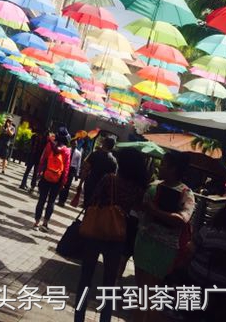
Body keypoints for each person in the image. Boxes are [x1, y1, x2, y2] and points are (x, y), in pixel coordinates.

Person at [74, 149, 150, 322]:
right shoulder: (138, 188)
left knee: (85, 279)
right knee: (109, 285)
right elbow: (139, 209)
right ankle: (105, 319)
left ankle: (79, 318)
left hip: (96, 232)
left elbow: (93, 200)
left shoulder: (109, 179)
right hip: (117, 236)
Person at [133, 151, 195, 320]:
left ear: (174, 168)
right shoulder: (154, 185)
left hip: (164, 250)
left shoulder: (186, 193)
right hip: (143, 242)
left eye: (165, 164)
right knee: (142, 293)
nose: (161, 166)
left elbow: (183, 219)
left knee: (152, 295)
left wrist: (155, 211)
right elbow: (141, 209)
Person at [33, 127, 70, 232]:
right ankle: (45, 223)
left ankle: (36, 222)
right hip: (57, 180)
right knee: (51, 202)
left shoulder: (49, 145)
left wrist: (39, 173)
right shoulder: (67, 151)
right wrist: (63, 182)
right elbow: (66, 169)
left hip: (46, 176)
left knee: (41, 200)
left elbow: (43, 159)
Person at [79, 136, 117, 207]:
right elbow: (113, 178)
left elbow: (86, 170)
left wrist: (80, 184)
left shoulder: (95, 154)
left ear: (104, 143)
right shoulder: (114, 161)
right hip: (103, 190)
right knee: (96, 209)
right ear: (113, 147)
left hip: (90, 185)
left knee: (88, 207)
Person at [20, 128, 49, 192]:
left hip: (32, 156)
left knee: (28, 171)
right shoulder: (44, 139)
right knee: (35, 172)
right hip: (38, 157)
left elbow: (31, 145)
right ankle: (32, 186)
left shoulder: (34, 136)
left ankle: (23, 183)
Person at [58, 140, 83, 206]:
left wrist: (77, 174)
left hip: (72, 169)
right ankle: (60, 199)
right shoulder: (67, 150)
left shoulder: (78, 153)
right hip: (65, 167)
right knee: (62, 183)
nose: (75, 145)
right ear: (71, 144)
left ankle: (63, 201)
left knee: (67, 186)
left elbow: (78, 164)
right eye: (74, 144)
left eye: (76, 144)